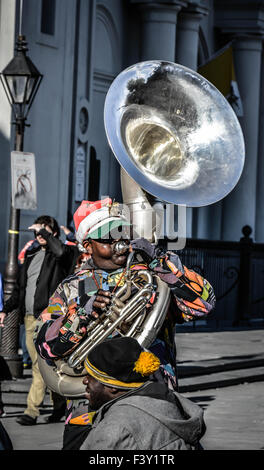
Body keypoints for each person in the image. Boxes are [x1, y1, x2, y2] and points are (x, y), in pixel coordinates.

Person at [0, 215, 80, 425]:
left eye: (44, 230)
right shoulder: (31, 256)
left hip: (50, 318)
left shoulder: (62, 255)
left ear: (53, 233)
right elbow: (19, 289)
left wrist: (45, 231)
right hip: (29, 318)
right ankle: (59, 404)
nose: (40, 234)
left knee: (39, 365)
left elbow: (61, 251)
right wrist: (6, 309)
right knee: (48, 365)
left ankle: (31, 411)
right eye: (37, 231)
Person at [80, 336, 206, 450]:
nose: (85, 381)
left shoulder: (115, 428)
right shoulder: (168, 399)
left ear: (112, 386)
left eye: (91, 376)